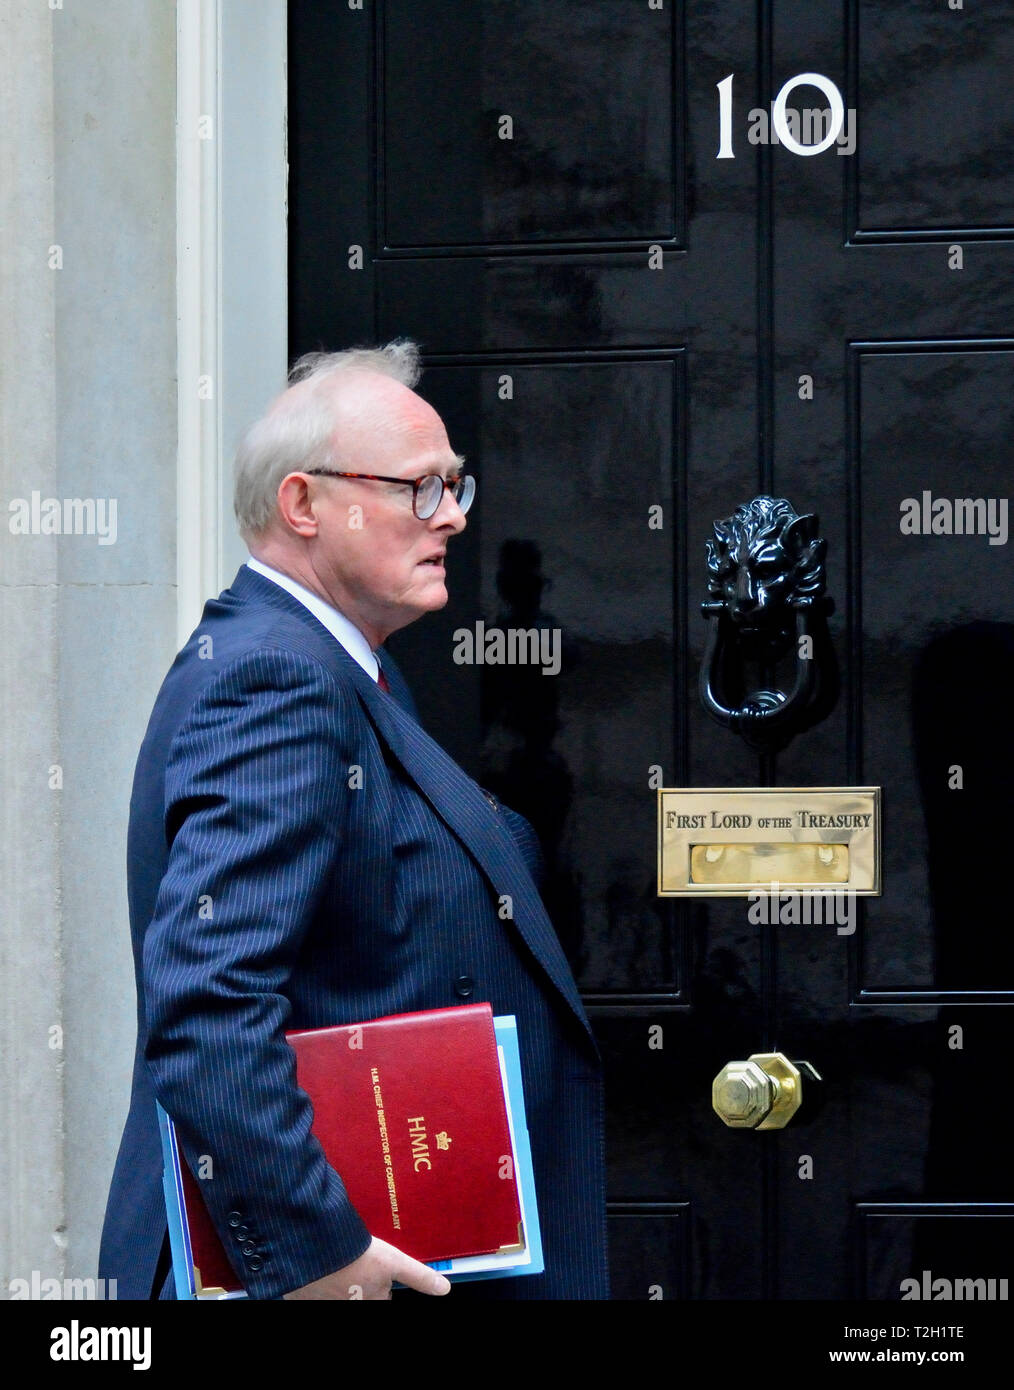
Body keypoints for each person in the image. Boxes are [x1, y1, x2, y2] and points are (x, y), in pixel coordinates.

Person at [97, 341, 609, 1301]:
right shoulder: (278, 681)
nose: (453, 515)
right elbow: (208, 1002)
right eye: (421, 488)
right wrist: (316, 1251)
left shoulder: (343, 667)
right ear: (303, 506)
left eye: (457, 485)